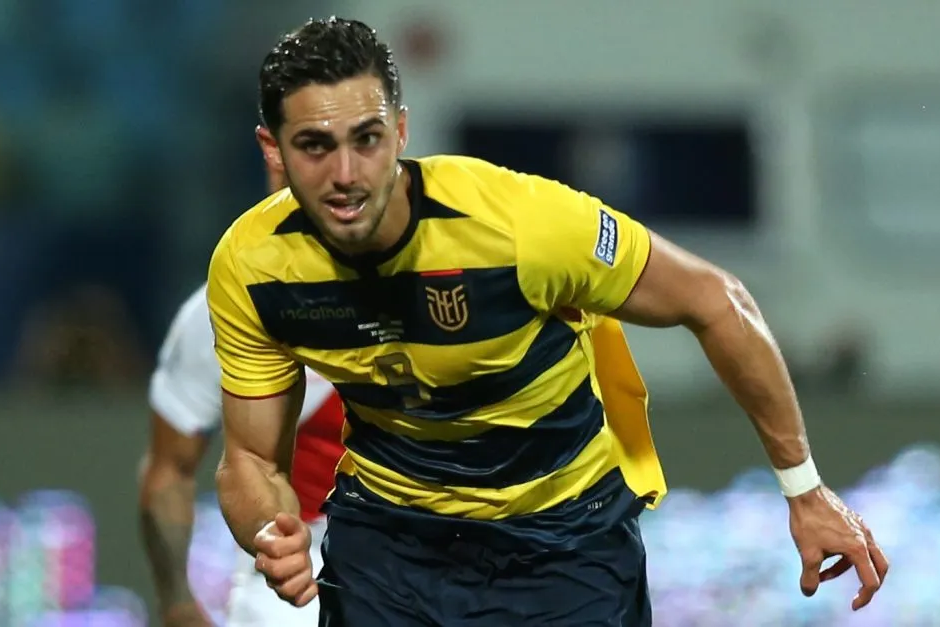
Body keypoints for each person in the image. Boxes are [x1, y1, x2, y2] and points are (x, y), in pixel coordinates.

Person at [207, 17, 889, 626]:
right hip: (389, 546)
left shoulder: (519, 227)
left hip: (565, 543)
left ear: (403, 131)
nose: (347, 173)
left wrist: (805, 491)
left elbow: (717, 301)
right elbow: (248, 461)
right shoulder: (254, 265)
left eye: (368, 139)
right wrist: (267, 528)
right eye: (316, 146)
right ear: (273, 151)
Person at [138, 165, 346, 627]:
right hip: (293, 589)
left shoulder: (432, 283)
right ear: (271, 154)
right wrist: (177, 602)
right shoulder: (221, 309)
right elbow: (170, 467)